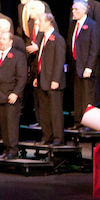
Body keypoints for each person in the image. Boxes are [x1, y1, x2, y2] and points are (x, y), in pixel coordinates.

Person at [0, 32, 27, 160]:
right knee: (3, 124)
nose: (1, 41)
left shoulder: (18, 56)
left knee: (11, 124)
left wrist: (15, 93)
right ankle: (6, 148)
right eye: (0, 39)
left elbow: (22, 77)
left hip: (11, 95)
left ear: (10, 42)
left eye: (4, 39)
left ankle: (13, 150)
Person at [33, 13, 67, 146]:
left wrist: (56, 79)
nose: (38, 24)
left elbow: (59, 61)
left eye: (40, 21)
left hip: (53, 82)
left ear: (49, 22)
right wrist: (37, 76)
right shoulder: (42, 37)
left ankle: (58, 138)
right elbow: (40, 59)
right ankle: (47, 136)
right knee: (44, 111)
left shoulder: (57, 39)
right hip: (43, 80)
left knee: (55, 112)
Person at [67, 0, 100, 130]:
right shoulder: (73, 24)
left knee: (88, 96)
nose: (73, 12)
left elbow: (94, 48)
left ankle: (89, 124)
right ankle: (78, 121)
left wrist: (89, 67)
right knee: (78, 95)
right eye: (73, 9)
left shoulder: (92, 25)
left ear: (84, 10)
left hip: (87, 67)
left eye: (76, 9)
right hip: (76, 65)